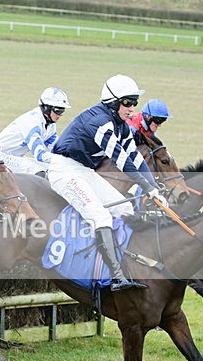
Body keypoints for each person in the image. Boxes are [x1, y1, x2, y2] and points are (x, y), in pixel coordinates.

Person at [47, 74, 168, 292]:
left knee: (125, 206)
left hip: (84, 170)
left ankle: (130, 264)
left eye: (134, 103)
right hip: (64, 170)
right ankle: (116, 276)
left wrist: (156, 190)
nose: (132, 108)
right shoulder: (100, 123)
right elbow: (122, 161)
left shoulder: (121, 126)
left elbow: (136, 158)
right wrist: (148, 188)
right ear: (113, 102)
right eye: (127, 103)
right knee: (101, 215)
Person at [0, 87, 71, 176]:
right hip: (1, 157)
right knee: (40, 172)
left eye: (63, 110)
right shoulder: (32, 122)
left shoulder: (51, 125)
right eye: (58, 110)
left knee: (54, 169)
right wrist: (63, 160)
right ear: (46, 107)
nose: (60, 115)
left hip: (17, 157)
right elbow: (40, 155)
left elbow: (57, 149)